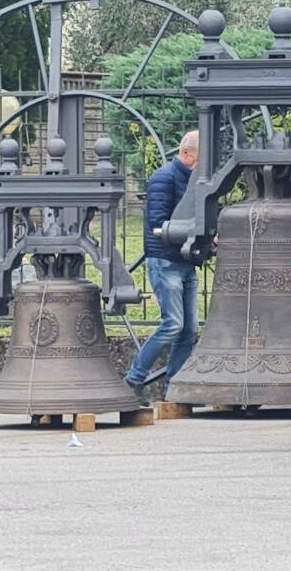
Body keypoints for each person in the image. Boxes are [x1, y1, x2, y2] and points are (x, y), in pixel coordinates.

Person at [125, 130, 200, 400]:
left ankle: (173, 389)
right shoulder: (164, 178)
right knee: (173, 325)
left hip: (184, 260)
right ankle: (134, 379)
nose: (200, 166)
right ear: (186, 153)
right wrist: (195, 231)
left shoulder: (192, 179)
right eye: (198, 159)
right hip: (166, 260)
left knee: (189, 328)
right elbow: (158, 223)